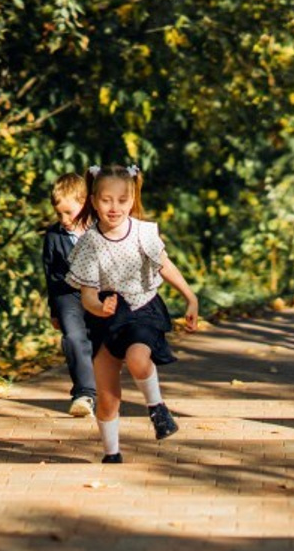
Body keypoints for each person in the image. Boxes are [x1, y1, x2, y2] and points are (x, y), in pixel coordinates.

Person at [67, 163, 199, 463]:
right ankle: (111, 453)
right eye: (106, 200)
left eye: (122, 200)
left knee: (139, 358)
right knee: (108, 398)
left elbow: (165, 265)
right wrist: (100, 308)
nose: (114, 208)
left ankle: (157, 408)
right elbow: (86, 295)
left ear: (133, 199)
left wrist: (190, 297)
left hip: (142, 309)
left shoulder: (143, 232)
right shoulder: (89, 243)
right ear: (93, 200)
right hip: (106, 317)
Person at [41, 172, 98, 417]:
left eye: (69, 213)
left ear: (85, 203)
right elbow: (50, 274)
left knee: (100, 344)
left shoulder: (101, 230)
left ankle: (103, 389)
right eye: (59, 214)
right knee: (74, 338)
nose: (63, 219)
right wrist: (55, 310)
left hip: (100, 294)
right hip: (68, 295)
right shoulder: (54, 237)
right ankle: (84, 394)